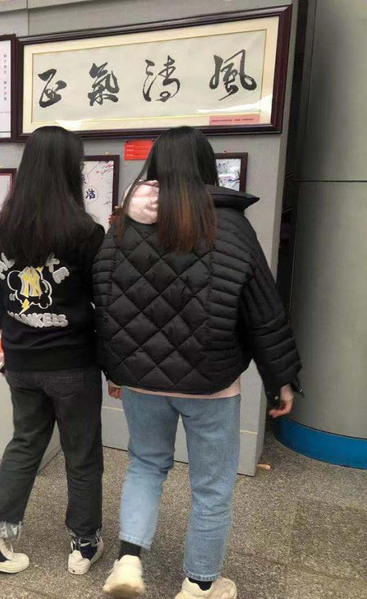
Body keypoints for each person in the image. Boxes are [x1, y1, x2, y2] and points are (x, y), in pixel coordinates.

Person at [93, 126, 301, 599]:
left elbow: (104, 302)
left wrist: (115, 369)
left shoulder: (122, 226)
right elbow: (262, 309)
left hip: (140, 379)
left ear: (155, 166)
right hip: (212, 382)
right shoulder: (229, 226)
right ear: (207, 167)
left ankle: (128, 561)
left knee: (145, 465)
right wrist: (281, 379)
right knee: (211, 486)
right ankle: (200, 583)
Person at [0, 126, 106, 576]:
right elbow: (103, 302)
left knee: (25, 444)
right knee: (81, 452)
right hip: (73, 363)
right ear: (69, 171)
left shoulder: (0, 232)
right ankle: (84, 543)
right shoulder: (87, 234)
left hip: (22, 361)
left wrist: (13, 342)